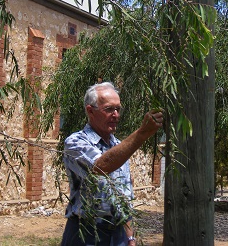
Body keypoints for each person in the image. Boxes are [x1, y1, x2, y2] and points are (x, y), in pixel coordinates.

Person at [61, 81, 163, 246]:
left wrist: (130, 238)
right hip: (86, 234)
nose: (116, 115)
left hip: (118, 235)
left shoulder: (119, 146)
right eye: (109, 109)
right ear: (90, 111)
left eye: (118, 109)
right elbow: (100, 166)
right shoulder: (75, 142)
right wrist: (142, 133)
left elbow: (124, 198)